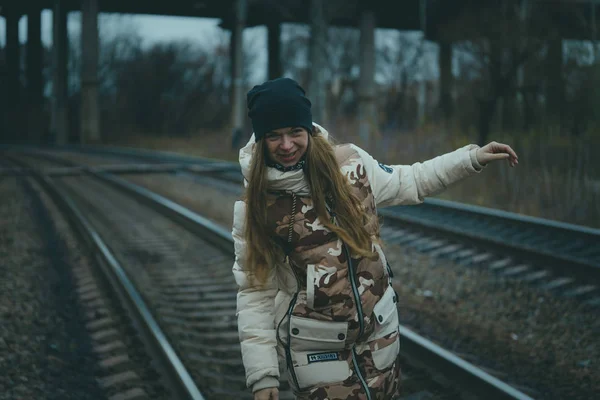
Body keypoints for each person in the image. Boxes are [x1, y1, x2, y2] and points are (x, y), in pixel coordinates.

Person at [231, 77, 518, 400]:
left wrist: (471, 159)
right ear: (261, 138)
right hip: (317, 355)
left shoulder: (351, 166)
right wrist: (263, 376)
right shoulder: (255, 205)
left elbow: (411, 181)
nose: (286, 145)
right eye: (274, 135)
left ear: (308, 130)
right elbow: (255, 291)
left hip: (380, 340)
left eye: (295, 132)